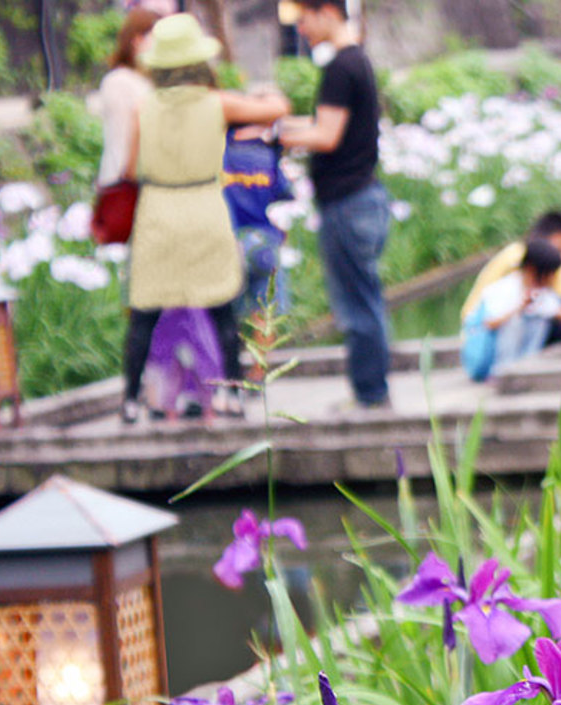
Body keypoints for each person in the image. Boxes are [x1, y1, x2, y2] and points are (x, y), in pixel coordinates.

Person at [121, 14, 289, 423]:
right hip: (203, 205)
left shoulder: (143, 108)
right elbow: (277, 109)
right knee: (220, 306)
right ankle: (231, 395)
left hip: (159, 211)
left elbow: (129, 170)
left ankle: (129, 400)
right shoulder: (217, 103)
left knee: (145, 311)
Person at [278, 0, 392, 410]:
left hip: (348, 203)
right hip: (363, 197)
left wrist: (275, 134)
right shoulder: (356, 60)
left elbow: (326, 135)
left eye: (303, 19)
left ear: (327, 11)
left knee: (357, 306)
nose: (301, 28)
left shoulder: (341, 67)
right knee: (366, 299)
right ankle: (371, 390)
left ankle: (371, 395)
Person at [460, 211, 561, 356]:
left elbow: (558, 307)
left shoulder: (557, 268)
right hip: (483, 337)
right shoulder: (518, 258)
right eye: (559, 251)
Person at [222, 122, 294, 353]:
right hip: (264, 241)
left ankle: (228, 372)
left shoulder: (221, 154)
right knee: (265, 311)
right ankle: (257, 374)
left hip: (228, 241)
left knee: (225, 313)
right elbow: (284, 198)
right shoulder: (268, 154)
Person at [461, 238, 561, 381]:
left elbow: (555, 309)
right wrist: (520, 308)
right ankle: (503, 373)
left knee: (541, 320)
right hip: (487, 356)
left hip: (513, 350)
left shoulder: (538, 292)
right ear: (531, 270)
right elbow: (490, 324)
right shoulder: (505, 288)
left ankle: (526, 368)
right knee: (515, 322)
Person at [95, 8, 159, 189]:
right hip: (123, 183)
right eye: (156, 40)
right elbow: (123, 137)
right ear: (137, 40)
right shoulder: (118, 81)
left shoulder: (146, 81)